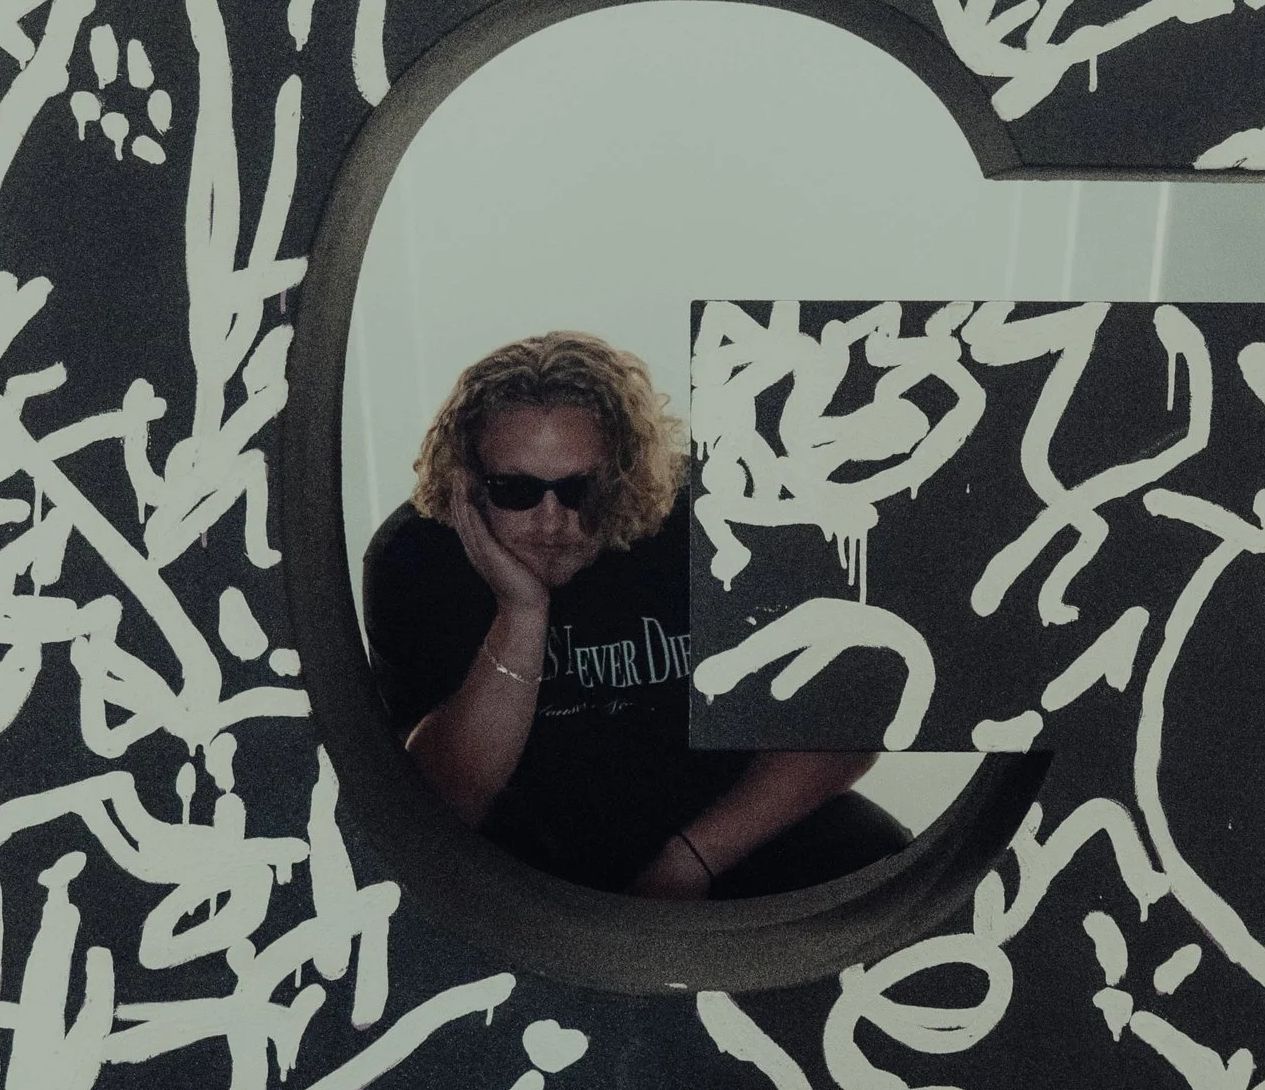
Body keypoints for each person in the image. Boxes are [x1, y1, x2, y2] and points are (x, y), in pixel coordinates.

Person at [361, 331, 907, 898]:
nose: (551, 520)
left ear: (624, 474)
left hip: (717, 828)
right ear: (469, 484)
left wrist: (690, 862)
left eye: (581, 489)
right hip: (525, 869)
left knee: (878, 860)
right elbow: (437, 808)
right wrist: (521, 612)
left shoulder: (717, 517)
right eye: (515, 490)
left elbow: (850, 716)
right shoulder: (416, 557)